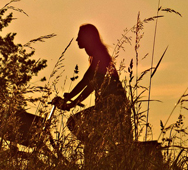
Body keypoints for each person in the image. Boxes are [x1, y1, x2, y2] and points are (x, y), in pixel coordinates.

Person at [52, 24, 132, 158]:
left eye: (79, 36)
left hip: (112, 107)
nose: (77, 40)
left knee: (74, 123)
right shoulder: (97, 56)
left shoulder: (100, 55)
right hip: (109, 106)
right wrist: (70, 96)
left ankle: (96, 146)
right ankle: (97, 147)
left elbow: (91, 84)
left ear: (88, 38)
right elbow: (87, 80)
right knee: (88, 137)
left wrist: (71, 102)